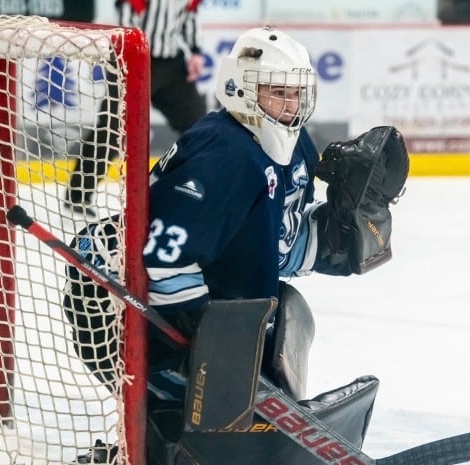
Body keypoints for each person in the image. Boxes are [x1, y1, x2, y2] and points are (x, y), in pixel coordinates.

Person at [62, 26, 410, 464]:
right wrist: (206, 344)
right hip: (111, 294)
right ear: (240, 88)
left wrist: (338, 237)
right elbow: (164, 258)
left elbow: (276, 246)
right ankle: (141, 452)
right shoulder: (225, 154)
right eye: (277, 93)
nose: (290, 105)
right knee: (197, 405)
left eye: (296, 94)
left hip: (184, 285)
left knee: (260, 347)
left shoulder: (295, 147)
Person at [63, 0, 208, 217]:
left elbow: (189, 14)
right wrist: (130, 56)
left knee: (199, 127)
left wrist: (195, 51)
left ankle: (202, 191)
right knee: (111, 129)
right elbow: (127, 19)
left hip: (171, 63)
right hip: (133, 58)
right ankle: (78, 195)